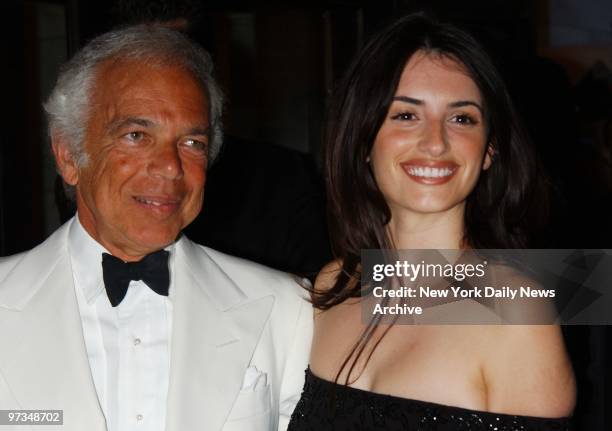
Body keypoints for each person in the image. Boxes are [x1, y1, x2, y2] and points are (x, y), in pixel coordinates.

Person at [0, 25, 311, 431]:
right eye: (136, 135)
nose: (170, 166)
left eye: (191, 143)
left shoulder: (287, 310)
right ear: (69, 156)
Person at [287, 14, 575, 430]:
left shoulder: (515, 313)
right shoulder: (335, 285)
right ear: (363, 139)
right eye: (406, 115)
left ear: (489, 149)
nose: (435, 142)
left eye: (462, 119)